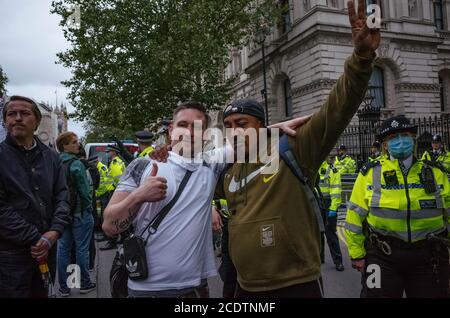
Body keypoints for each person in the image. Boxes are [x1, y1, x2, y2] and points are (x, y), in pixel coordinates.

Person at [215, 0, 379, 297]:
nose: (234, 131)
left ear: (261, 126)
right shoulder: (227, 170)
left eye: (242, 122)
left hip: (295, 285)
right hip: (245, 287)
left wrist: (361, 58)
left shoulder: (293, 147)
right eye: (227, 125)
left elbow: (337, 109)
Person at [102, 102, 229, 298]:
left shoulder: (211, 164)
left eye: (196, 126)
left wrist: (281, 126)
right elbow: (110, 227)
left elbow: (258, 142)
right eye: (183, 125)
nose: (189, 132)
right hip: (147, 290)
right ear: (171, 130)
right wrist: (139, 196)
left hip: (196, 289)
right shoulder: (142, 165)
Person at [345, 115, 450, 298]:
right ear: (385, 145)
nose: (400, 141)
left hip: (430, 256)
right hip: (381, 255)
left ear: (413, 138)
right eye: (393, 138)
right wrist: (356, 254)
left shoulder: (435, 172)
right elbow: (354, 215)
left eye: (404, 135)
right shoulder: (370, 173)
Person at [0, 95, 70, 298]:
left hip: (48, 249)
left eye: (25, 113)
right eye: (12, 114)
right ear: (5, 121)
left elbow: (63, 196)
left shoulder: (51, 157)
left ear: (37, 121)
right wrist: (35, 237)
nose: (18, 118)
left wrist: (54, 232)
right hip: (10, 256)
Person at [56, 132, 96, 297]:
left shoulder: (56, 162)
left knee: (63, 249)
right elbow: (85, 192)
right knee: (81, 250)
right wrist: (89, 208)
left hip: (62, 214)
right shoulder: (76, 164)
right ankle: (84, 284)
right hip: (80, 213)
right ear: (64, 146)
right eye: (73, 142)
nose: (77, 145)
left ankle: (64, 288)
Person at [318, 158, 344, 271]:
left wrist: (333, 208)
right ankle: (319, 258)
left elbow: (336, 191)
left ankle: (338, 261)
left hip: (329, 205)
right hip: (316, 203)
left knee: (330, 234)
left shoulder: (332, 170)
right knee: (317, 233)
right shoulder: (312, 168)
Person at [100, 145, 126, 250]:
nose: (107, 153)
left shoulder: (115, 163)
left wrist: (115, 189)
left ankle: (112, 241)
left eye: (109, 151)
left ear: (114, 152)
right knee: (120, 215)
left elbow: (117, 179)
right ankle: (123, 237)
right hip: (116, 191)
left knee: (112, 217)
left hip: (114, 192)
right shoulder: (117, 162)